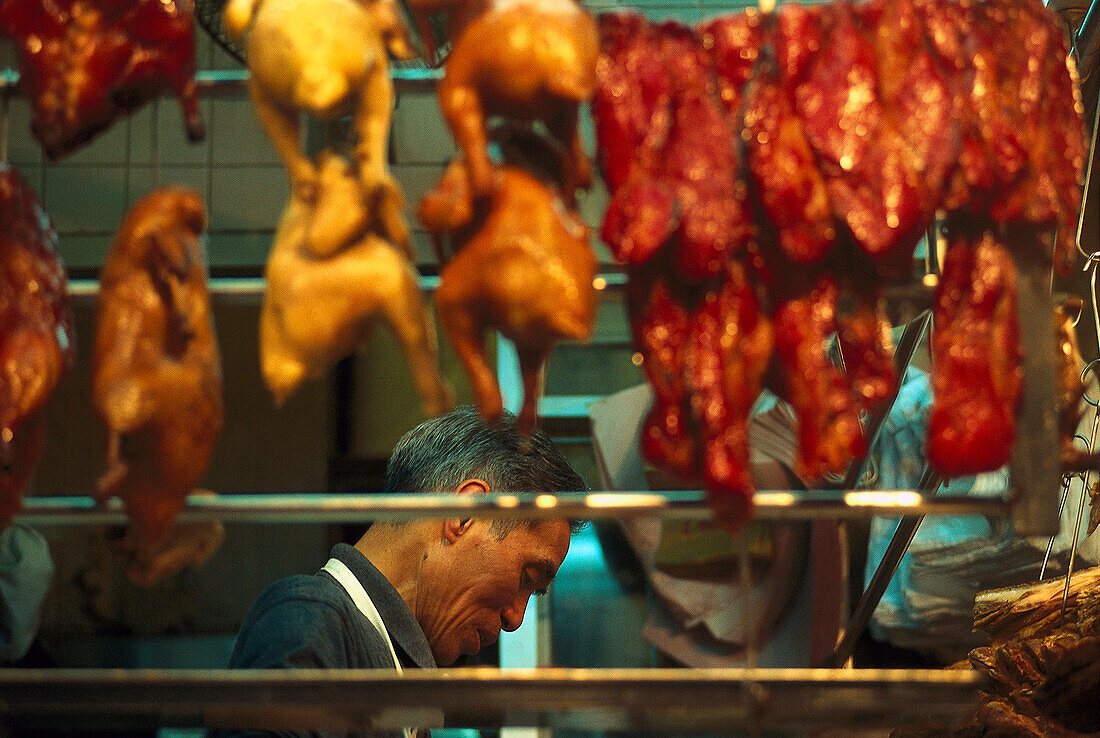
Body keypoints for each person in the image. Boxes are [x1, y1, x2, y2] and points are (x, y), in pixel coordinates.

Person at [223, 405, 585, 732]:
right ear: (465, 513)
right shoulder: (309, 619)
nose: (515, 618)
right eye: (527, 578)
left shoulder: (396, 670)